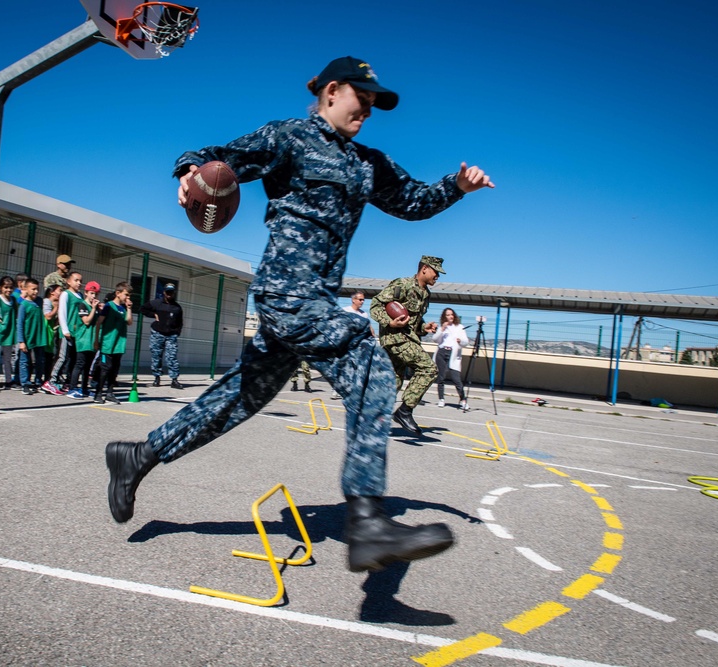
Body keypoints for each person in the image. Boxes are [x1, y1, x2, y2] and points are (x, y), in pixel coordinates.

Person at [105, 55, 494, 573]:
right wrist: (189, 171)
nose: (369, 110)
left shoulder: (366, 163)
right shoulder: (290, 137)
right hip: (288, 292)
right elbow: (217, 156)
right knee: (368, 359)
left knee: (237, 398)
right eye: (363, 99)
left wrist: (456, 187)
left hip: (312, 301)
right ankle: (367, 521)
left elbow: (411, 201)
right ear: (332, 91)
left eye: (376, 104)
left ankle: (138, 456)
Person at [371, 256, 446, 435]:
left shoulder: (426, 293)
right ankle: (405, 411)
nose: (438, 276)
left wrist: (424, 327)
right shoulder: (403, 284)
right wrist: (390, 323)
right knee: (429, 369)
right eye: (436, 272)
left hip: (407, 338)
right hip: (395, 339)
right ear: (425, 269)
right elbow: (375, 306)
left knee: (394, 382)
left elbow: (412, 323)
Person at [93, 281, 133, 404]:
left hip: (118, 344)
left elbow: (129, 321)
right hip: (108, 344)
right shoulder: (109, 306)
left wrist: (129, 308)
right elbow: (99, 322)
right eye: (126, 295)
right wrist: (96, 340)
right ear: (118, 293)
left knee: (114, 370)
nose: (127, 298)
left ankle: (110, 393)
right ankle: (98, 393)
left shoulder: (123, 308)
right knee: (105, 369)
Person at [141, 282, 184, 389]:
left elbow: (180, 322)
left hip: (171, 335)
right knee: (156, 356)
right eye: (167, 292)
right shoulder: (156, 303)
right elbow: (142, 309)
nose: (169, 294)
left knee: (172, 357)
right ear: (164, 292)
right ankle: (157, 378)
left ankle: (174, 380)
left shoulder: (177, 307)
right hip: (157, 333)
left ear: (174, 293)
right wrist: (153, 315)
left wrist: (176, 332)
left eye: (171, 292)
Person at [332, 291, 372, 399]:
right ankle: (336, 389)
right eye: (360, 299)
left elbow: (367, 328)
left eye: (363, 300)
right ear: (353, 300)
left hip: (357, 345)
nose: (362, 302)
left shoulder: (364, 314)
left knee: (356, 368)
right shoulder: (345, 311)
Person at [66, 277, 101, 400]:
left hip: (91, 341)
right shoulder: (83, 305)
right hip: (82, 340)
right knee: (79, 364)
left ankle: (84, 388)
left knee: (87, 366)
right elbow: (86, 321)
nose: (93, 296)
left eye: (95, 294)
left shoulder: (95, 308)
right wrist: (94, 309)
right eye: (91, 293)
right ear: (86, 293)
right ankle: (72, 388)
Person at [430, 307, 470, 411]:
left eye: (451, 314)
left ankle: (463, 400)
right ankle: (441, 399)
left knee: (456, 379)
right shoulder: (442, 328)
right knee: (441, 377)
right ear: (444, 317)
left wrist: (460, 341)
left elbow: (465, 342)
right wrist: (441, 329)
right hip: (442, 352)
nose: (450, 316)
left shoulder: (460, 327)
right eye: (447, 315)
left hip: (453, 354)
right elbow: (435, 339)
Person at [16, 278, 50, 395]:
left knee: (40, 360)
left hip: (39, 337)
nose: (36, 292)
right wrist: (21, 341)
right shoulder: (23, 305)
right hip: (27, 337)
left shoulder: (40, 302)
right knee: (25, 361)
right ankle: (25, 383)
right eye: (33, 289)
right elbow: (19, 324)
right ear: (26, 289)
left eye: (37, 289)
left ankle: (37, 381)